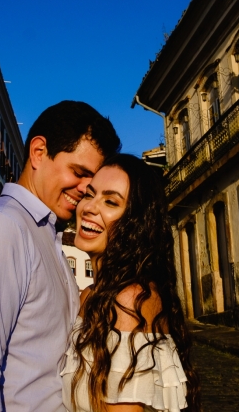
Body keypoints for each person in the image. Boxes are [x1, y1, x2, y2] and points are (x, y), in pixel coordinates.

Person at [0, 100, 121, 412]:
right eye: (79, 172)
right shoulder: (1, 227)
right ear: (39, 152)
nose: (86, 191)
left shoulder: (41, 232)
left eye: (93, 181)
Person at [61, 154, 200, 412]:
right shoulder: (89, 296)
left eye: (110, 201)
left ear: (136, 222)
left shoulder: (131, 300)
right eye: (89, 195)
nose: (89, 208)